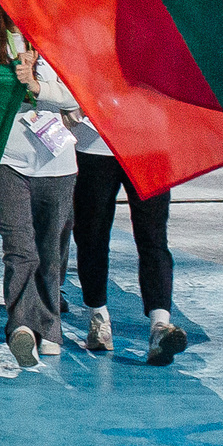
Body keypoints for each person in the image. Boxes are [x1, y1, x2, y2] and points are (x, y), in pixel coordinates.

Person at [0, 0, 78, 369]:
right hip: (8, 162)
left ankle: (49, 326)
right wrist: (5, 84)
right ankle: (20, 325)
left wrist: (37, 87)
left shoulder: (61, 40)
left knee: (51, 254)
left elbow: (78, 96)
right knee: (20, 250)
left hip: (58, 162)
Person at [72, 125, 189, 366]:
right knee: (91, 235)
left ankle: (160, 325)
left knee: (152, 237)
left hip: (148, 145)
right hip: (95, 144)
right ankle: (98, 315)